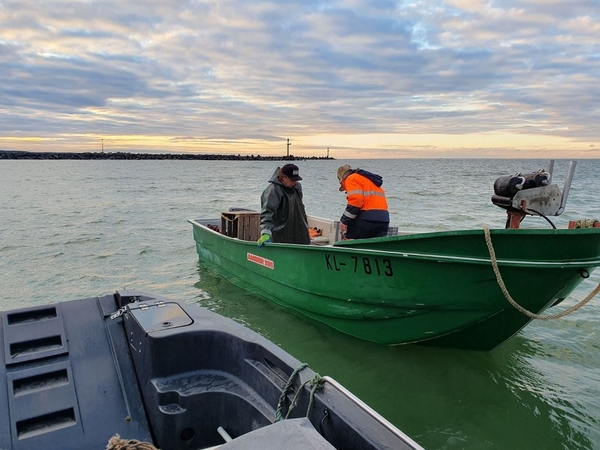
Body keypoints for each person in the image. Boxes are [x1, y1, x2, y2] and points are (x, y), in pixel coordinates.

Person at [257, 163, 310, 246]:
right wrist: (266, 232)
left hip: (300, 234)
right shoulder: (273, 191)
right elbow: (267, 213)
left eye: (296, 180)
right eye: (292, 180)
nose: (295, 182)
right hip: (280, 237)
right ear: (283, 177)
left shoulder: (297, 187)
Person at [337, 164, 389, 239]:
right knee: (375, 246)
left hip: (366, 220)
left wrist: (344, 221)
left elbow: (356, 201)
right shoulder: (370, 181)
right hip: (384, 220)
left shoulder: (351, 179)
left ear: (342, 179)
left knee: (351, 242)